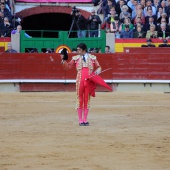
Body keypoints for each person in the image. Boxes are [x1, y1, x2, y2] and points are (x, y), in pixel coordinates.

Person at [60, 43, 102, 126]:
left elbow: (99, 67)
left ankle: (85, 120)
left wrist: (95, 73)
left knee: (87, 99)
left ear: (84, 50)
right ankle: (80, 120)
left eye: (79, 49)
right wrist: (63, 61)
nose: (77, 51)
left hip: (89, 81)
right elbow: (67, 67)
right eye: (77, 49)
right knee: (80, 99)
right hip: (79, 80)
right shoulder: (75, 58)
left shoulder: (92, 58)